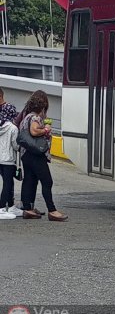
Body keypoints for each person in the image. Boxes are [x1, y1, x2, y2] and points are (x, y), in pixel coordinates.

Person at [18, 90, 67, 221]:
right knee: (47, 181)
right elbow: (34, 131)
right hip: (36, 154)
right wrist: (46, 129)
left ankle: (28, 209)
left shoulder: (26, 117)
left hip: (26, 154)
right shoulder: (35, 117)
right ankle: (52, 210)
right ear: (43, 105)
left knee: (30, 180)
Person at [0, 116, 19, 219]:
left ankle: (10, 205)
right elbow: (16, 145)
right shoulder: (13, 128)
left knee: (8, 182)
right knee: (8, 183)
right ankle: (2, 207)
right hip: (8, 160)